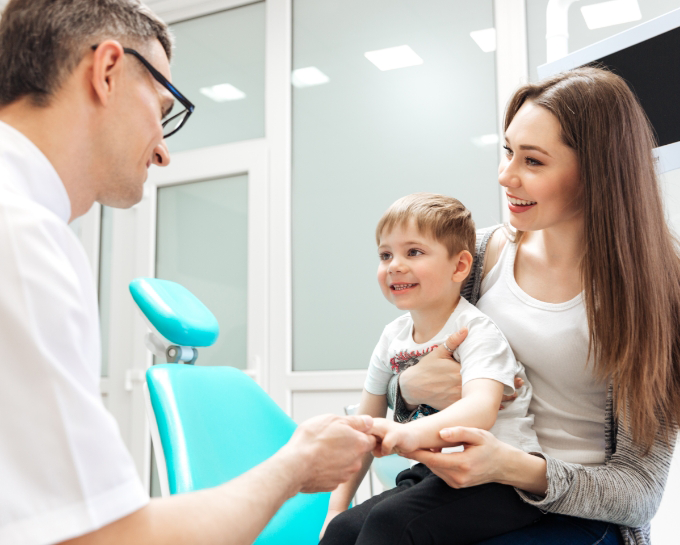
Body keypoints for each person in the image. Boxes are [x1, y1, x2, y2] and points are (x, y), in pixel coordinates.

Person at [0, 1, 376, 544]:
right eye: (162, 105)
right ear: (107, 71)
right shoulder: (22, 238)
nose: (163, 153)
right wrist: (297, 467)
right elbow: (109, 539)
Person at [386, 67, 680, 545]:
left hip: (579, 516)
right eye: (507, 151)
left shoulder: (660, 292)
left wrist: (515, 467)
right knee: (348, 529)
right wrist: (409, 389)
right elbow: (408, 373)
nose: (506, 176)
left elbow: (639, 492)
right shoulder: (476, 258)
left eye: (534, 161)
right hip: (473, 491)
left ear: (598, 171)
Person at [320, 193, 543, 545]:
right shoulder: (391, 337)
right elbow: (365, 426)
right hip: (435, 472)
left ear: (459, 267)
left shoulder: (477, 331)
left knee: (390, 524)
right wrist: (337, 506)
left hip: (500, 479)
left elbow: (480, 410)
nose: (394, 265)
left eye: (414, 252)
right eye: (385, 254)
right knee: (342, 530)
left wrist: (408, 434)